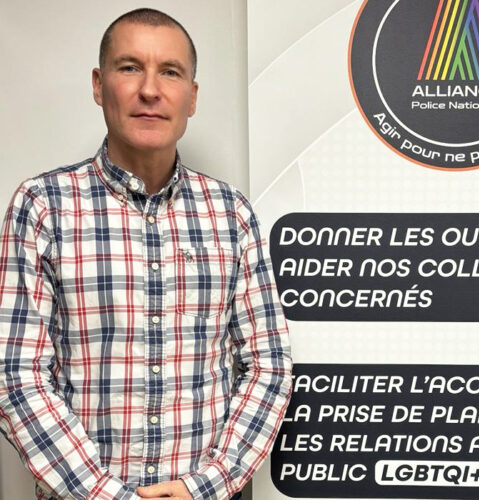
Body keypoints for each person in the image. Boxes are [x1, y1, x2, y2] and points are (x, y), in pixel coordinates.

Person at [0, 8, 291, 500]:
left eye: (170, 72)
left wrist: (207, 485)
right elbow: (16, 374)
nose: (150, 90)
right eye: (130, 67)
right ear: (99, 85)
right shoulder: (43, 206)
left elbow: (269, 364)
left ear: (192, 97)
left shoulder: (231, 214)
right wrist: (105, 494)